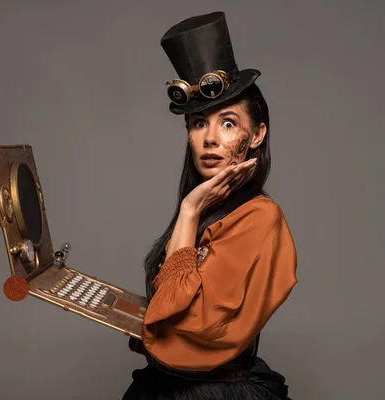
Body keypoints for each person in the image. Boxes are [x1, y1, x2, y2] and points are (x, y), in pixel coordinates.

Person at [122, 12, 298, 400]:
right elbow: (171, 318)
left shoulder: (259, 217)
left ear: (257, 135)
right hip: (171, 386)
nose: (211, 139)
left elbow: (196, 330)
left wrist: (188, 211)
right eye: (199, 123)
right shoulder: (207, 210)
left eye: (229, 123)